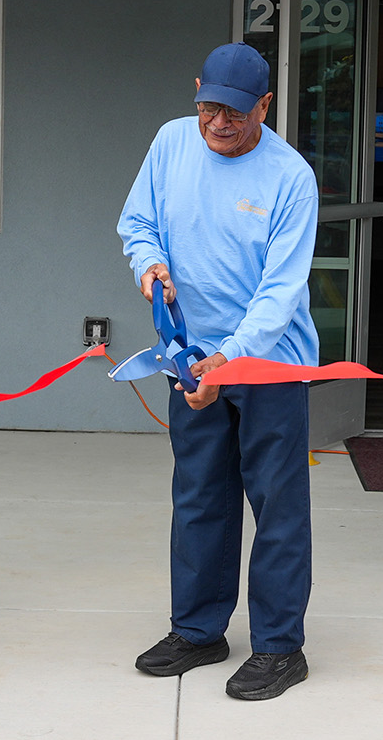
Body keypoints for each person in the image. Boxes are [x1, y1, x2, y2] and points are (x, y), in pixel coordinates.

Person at [117, 42, 321, 701]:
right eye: (208, 107)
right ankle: (199, 630)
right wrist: (149, 265)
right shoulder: (172, 142)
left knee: (277, 506)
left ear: (265, 105)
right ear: (197, 90)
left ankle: (280, 647)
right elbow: (138, 221)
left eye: (235, 113)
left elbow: (280, 290)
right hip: (189, 358)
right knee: (200, 497)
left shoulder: (291, 177)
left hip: (267, 365)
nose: (218, 124)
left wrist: (230, 358)